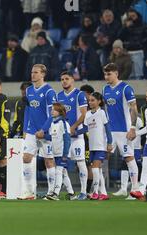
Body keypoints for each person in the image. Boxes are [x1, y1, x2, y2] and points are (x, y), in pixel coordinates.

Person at [102, 63, 144, 200]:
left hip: (124, 131)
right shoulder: (105, 89)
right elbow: (106, 111)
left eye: (109, 74)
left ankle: (136, 189)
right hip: (110, 131)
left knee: (129, 158)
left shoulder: (126, 88)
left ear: (116, 73)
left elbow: (133, 108)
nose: (106, 76)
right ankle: (100, 190)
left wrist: (132, 128)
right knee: (101, 158)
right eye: (105, 74)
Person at [18, 64, 57, 200]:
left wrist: (43, 129)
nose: (33, 74)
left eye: (36, 72)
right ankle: (29, 192)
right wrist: (25, 129)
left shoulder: (49, 91)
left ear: (43, 74)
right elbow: (28, 110)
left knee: (49, 161)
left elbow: (53, 114)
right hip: (31, 130)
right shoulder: (28, 90)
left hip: (46, 131)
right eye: (32, 72)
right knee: (26, 158)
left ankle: (52, 192)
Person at [55, 72, 89, 200]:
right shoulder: (58, 96)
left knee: (80, 162)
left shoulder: (79, 94)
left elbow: (84, 114)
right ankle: (70, 191)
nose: (64, 81)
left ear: (72, 80)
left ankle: (84, 192)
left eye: (66, 79)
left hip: (76, 136)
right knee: (61, 164)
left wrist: (73, 127)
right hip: (63, 136)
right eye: (62, 79)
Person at [75, 92, 113, 200]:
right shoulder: (87, 114)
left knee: (95, 169)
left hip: (100, 145)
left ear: (99, 101)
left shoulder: (102, 113)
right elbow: (85, 129)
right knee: (98, 171)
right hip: (92, 146)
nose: (90, 102)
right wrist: (74, 132)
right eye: (89, 100)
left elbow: (108, 129)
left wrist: (109, 143)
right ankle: (104, 193)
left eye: (92, 100)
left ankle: (95, 192)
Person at [38, 103, 74, 201]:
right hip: (56, 152)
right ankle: (71, 193)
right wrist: (43, 136)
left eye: (54, 110)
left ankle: (55, 194)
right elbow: (52, 137)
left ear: (60, 112)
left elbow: (67, 139)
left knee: (58, 172)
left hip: (62, 152)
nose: (51, 111)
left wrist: (65, 154)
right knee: (63, 172)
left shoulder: (64, 123)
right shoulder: (53, 123)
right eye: (51, 109)